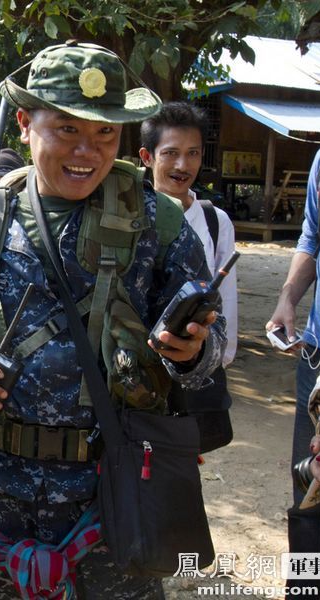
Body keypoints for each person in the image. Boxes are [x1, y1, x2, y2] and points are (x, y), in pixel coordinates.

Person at [0, 40, 225, 598]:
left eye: (106, 132)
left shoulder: (157, 223)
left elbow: (209, 343)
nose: (88, 150)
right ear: (25, 124)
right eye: (68, 129)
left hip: (112, 504)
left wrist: (194, 351)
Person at [139, 101, 237, 449]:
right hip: (135, 381)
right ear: (147, 157)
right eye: (171, 153)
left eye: (193, 153)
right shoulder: (128, 217)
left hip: (191, 373)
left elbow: (225, 303)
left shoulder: (215, 221)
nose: (183, 165)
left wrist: (210, 360)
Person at [267, 139, 320, 600]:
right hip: (318, 357)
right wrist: (289, 296)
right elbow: (312, 236)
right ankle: (307, 590)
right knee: (312, 483)